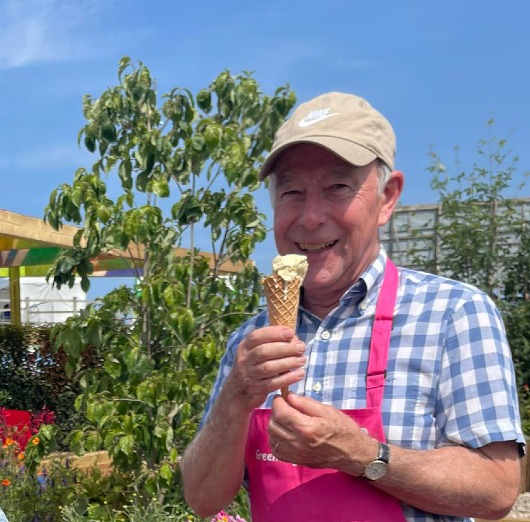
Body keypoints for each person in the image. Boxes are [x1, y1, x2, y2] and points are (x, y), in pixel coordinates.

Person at [180, 92, 525, 521]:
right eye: (291, 191)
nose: (310, 217)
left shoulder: (453, 313)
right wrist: (234, 397)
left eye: (337, 188)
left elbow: (497, 489)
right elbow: (202, 499)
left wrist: (362, 454)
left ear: (387, 197)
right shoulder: (250, 342)